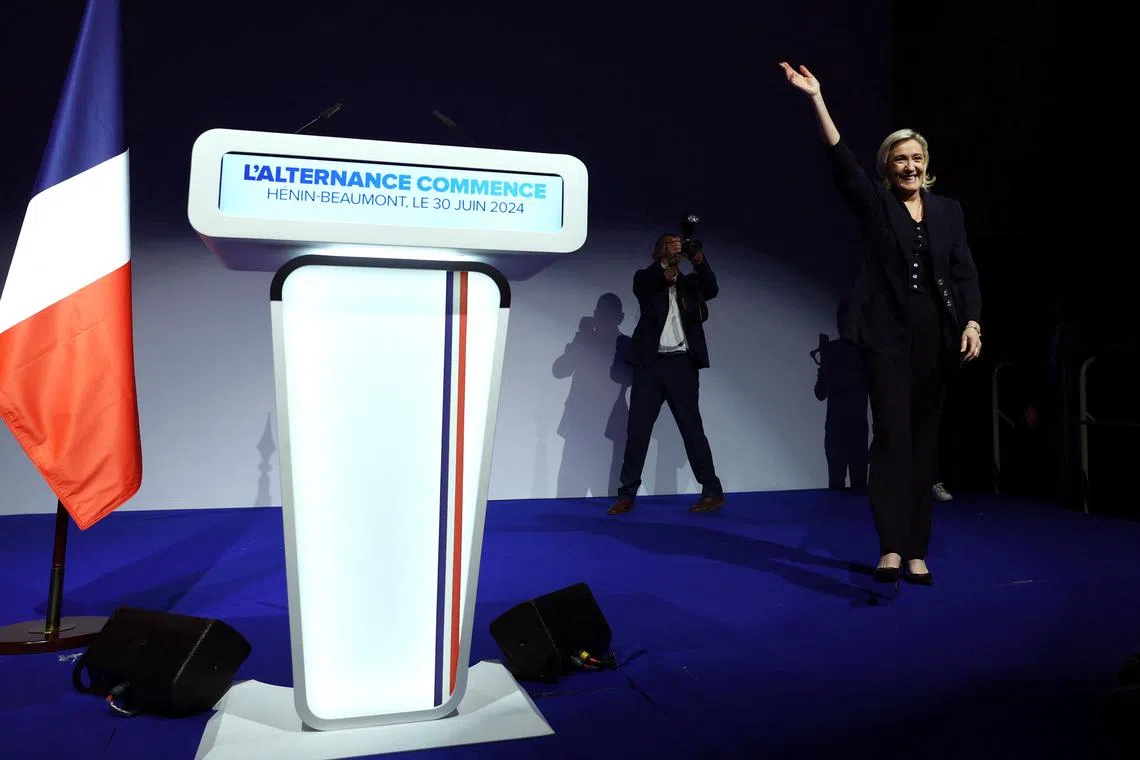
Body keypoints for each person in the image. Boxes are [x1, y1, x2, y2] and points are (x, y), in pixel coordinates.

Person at [780, 61, 983, 585]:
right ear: (888, 167)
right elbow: (841, 162)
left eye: (917, 159)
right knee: (893, 436)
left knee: (923, 442)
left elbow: (964, 272)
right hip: (885, 336)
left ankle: (918, 550)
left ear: (926, 164)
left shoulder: (948, 212)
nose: (910, 167)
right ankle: (891, 547)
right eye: (900, 160)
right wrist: (817, 98)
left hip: (935, 338)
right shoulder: (876, 205)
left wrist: (973, 323)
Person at [608, 232, 725, 515]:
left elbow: (711, 288)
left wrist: (699, 258)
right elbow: (648, 281)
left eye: (677, 246)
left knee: (691, 429)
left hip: (682, 365)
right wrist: (665, 262)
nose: (674, 249)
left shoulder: (690, 284)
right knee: (637, 432)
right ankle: (626, 494)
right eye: (667, 245)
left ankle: (712, 491)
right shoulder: (645, 279)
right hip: (650, 366)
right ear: (657, 253)